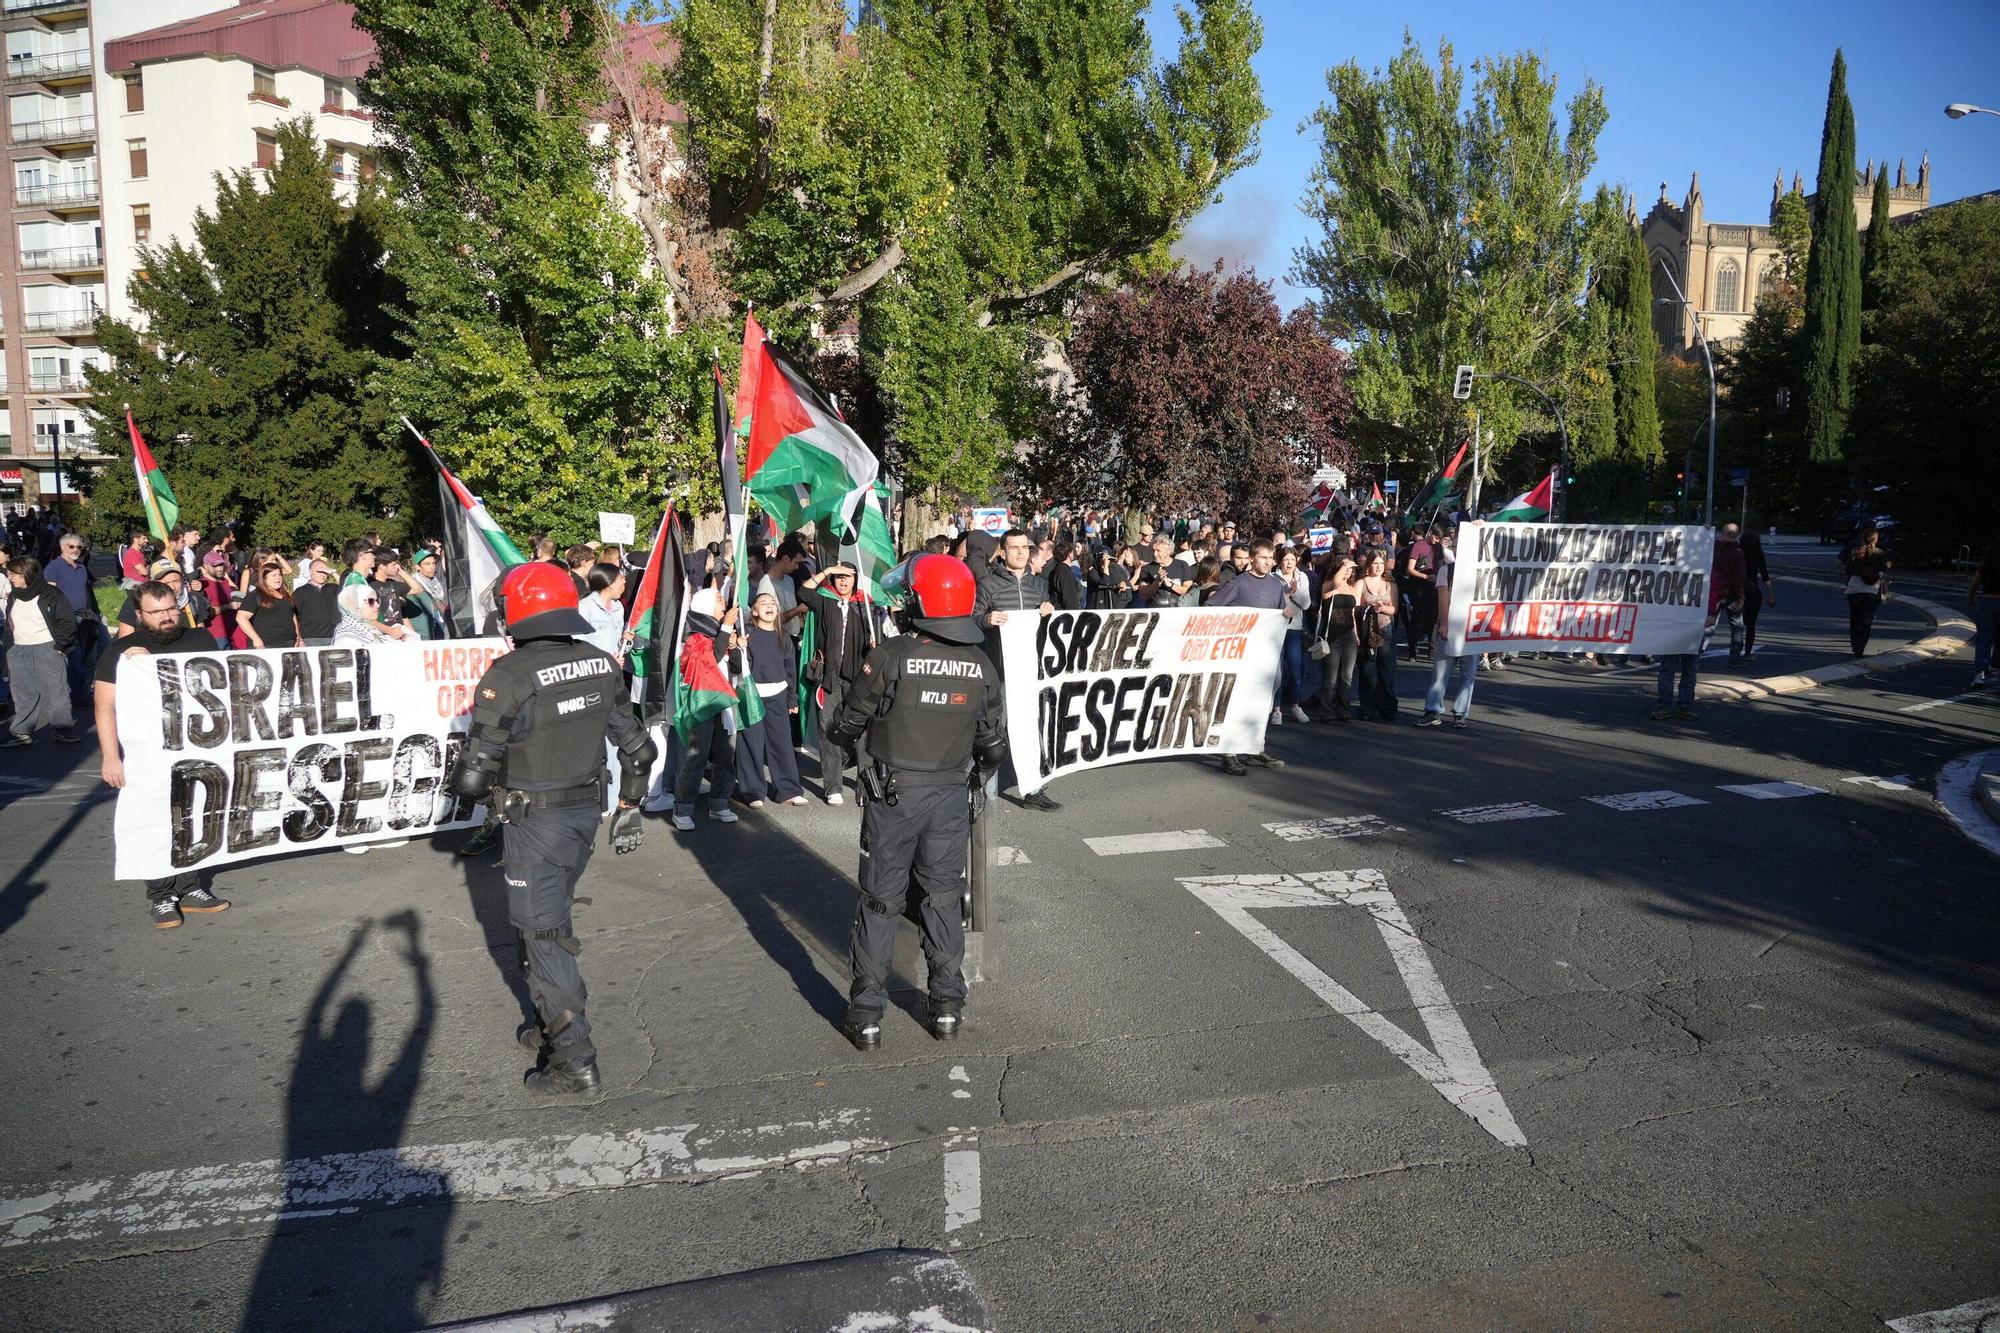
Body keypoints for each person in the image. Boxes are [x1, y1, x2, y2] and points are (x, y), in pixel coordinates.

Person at [447, 563, 656, 1094]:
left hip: (533, 820)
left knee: (543, 935)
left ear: (515, 612)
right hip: (586, 814)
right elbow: (639, 748)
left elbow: (472, 778)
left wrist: (470, 772)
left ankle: (573, 1057)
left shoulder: (508, 675)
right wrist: (630, 804)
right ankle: (547, 1020)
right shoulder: (600, 663)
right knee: (546, 921)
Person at [825, 554, 1006, 1051]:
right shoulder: (980, 663)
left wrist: (854, 747)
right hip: (949, 795)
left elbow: (844, 723)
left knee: (881, 901)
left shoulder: (891, 654)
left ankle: (866, 1016)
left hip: (893, 795)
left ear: (921, 602)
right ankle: (947, 1006)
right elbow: (993, 746)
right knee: (943, 897)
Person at [96, 580, 234, 928]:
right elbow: (104, 706)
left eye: (171, 608)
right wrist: (111, 757)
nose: (166, 617)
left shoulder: (201, 639)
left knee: (198, 815)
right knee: (152, 820)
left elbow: (228, 687)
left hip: (198, 747)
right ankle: (161, 895)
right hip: (147, 754)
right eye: (156, 612)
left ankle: (191, 886)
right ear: (139, 614)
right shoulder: (122, 650)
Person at [973, 530, 1056, 809]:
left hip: (1030, 668)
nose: (1020, 552)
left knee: (1031, 727)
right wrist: (986, 619)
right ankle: (980, 786)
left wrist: (1048, 612)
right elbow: (971, 619)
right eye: (1014, 548)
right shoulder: (987, 584)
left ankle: (1033, 790)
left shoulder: (1039, 585)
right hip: (999, 670)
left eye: (1024, 547)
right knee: (996, 731)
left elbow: (1049, 628)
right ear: (1003, 551)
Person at [1205, 541, 1292, 775]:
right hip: (1242, 656)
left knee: (1262, 703)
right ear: (1252, 558)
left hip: (1269, 656)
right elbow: (1211, 607)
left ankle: (1254, 747)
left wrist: (1287, 614)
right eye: (1264, 557)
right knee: (1237, 703)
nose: (1269, 562)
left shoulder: (1276, 585)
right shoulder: (1238, 583)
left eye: (1271, 558)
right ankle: (1229, 753)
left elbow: (1283, 613)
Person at [806, 563, 877, 806]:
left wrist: (876, 640)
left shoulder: (865, 604)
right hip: (830, 676)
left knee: (864, 732)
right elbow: (804, 593)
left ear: (855, 579)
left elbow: (881, 637)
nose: (843, 582)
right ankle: (832, 787)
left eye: (847, 577)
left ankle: (865, 785)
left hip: (860, 679)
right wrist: (826, 572)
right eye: (838, 577)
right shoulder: (826, 600)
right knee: (829, 729)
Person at [735, 581, 807, 806]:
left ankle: (788, 789)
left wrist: (792, 697)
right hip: (751, 695)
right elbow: (738, 666)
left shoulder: (783, 635)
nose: (769, 606)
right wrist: (738, 645)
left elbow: (790, 669)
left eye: (772, 603)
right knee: (751, 743)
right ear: (754, 611)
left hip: (778, 695)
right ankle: (754, 792)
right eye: (763, 603)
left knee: (782, 744)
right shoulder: (747, 635)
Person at [4, 555, 79, 746]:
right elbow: (9, 624)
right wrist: (10, 648)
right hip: (19, 650)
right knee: (22, 693)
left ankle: (62, 729)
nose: (9, 577)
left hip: (48, 648)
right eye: (9, 573)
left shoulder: (51, 593)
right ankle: (21, 732)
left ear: (28, 574)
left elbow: (67, 621)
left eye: (14, 574)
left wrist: (60, 647)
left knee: (57, 692)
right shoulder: (13, 596)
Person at [1417, 532, 1477, 729]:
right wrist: (1444, 623)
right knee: (1440, 672)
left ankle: (1461, 713)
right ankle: (1433, 710)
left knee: (1468, 674)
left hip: (1473, 629)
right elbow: (1443, 599)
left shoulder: (1481, 570)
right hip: (1451, 626)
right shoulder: (1447, 570)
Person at [48, 533, 99, 706]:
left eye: (79, 547)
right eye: (72, 546)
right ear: (63, 547)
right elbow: (49, 598)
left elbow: (86, 593)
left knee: (90, 656)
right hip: (68, 620)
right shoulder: (53, 567)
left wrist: (94, 614)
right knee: (75, 658)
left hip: (87, 618)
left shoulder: (82, 567)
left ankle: (83, 690)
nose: (76, 550)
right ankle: (78, 695)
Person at [1314, 547, 1361, 722]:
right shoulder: (1328, 585)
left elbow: (1353, 614)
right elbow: (1335, 581)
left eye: (1350, 570)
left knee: (1347, 677)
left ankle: (1343, 709)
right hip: (1332, 636)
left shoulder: (1351, 588)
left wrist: (1355, 634)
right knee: (1331, 678)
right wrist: (1345, 563)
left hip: (1349, 635)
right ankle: (1326, 711)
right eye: (1345, 569)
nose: (1348, 572)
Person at [1355, 548, 1400, 721]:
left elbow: (1394, 609)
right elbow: (1355, 608)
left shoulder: (1390, 584)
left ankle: (1387, 707)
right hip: (1367, 630)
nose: (1379, 566)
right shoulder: (1361, 583)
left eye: (1382, 563)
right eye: (1375, 563)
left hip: (1386, 630)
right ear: (1369, 564)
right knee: (1368, 670)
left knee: (1387, 671)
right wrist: (1368, 608)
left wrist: (1383, 608)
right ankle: (1367, 707)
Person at [1275, 547, 1313, 724]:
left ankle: (1296, 706)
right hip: (1275, 628)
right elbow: (1271, 601)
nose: (1289, 563)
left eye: (1292, 559)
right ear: (1279, 560)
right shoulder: (1272, 577)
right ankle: (1276, 710)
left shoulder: (1302, 577)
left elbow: (1306, 604)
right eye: (1285, 559)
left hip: (1295, 627)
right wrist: (1286, 595)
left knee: (1295, 669)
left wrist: (1295, 591)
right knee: (1277, 671)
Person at [1843, 525, 1890, 657]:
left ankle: (1854, 643)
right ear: (1875, 540)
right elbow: (1884, 569)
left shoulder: (1855, 551)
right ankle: (1860, 646)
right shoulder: (1880, 553)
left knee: (1855, 618)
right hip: (1872, 589)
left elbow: (1848, 569)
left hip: (1855, 588)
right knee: (1866, 620)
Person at [237, 559, 302, 649]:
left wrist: (298, 638)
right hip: (266, 645)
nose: (278, 578)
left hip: (289, 643)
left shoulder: (286, 595)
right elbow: (241, 618)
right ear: (264, 578)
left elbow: (292, 615)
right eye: (274, 575)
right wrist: (256, 639)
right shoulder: (255, 596)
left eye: (279, 575)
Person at [332, 580, 414, 647]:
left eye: (376, 600)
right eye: (371, 601)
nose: (377, 605)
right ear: (355, 606)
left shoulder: (368, 628)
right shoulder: (347, 639)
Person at [1711, 524, 1748, 663]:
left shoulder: (1713, 548)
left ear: (1722, 533)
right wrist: (1740, 596)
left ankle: (1694, 656)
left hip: (1714, 593)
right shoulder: (1738, 553)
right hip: (1731, 594)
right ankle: (1735, 659)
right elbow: (1739, 577)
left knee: (1708, 627)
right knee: (1737, 627)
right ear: (1737, 535)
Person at [578, 563, 628, 661]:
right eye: (621, 578)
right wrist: (606, 663)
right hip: (595, 671)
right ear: (610, 583)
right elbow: (579, 645)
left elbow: (617, 646)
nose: (624, 581)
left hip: (614, 671)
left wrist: (625, 640)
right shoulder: (585, 607)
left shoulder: (618, 607)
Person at [1969, 538, 2000, 688]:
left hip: (1986, 601)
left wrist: (1971, 598)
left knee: (1983, 639)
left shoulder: (1985, 566)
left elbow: (1974, 585)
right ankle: (1996, 669)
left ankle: (1980, 673)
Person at [1740, 529, 1775, 660]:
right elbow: (1765, 576)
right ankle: (1748, 652)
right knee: (1751, 624)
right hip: (1754, 589)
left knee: (1737, 622)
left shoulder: (1738, 553)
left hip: (1739, 589)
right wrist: (1771, 594)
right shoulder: (1759, 554)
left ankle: (1735, 650)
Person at [294, 560, 341, 645]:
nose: (323, 574)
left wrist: (333, 572)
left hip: (334, 637)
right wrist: (300, 640)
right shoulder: (300, 592)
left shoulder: (332, 588)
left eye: (325, 572)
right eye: (319, 571)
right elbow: (295, 618)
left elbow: (346, 587)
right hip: (311, 639)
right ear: (310, 572)